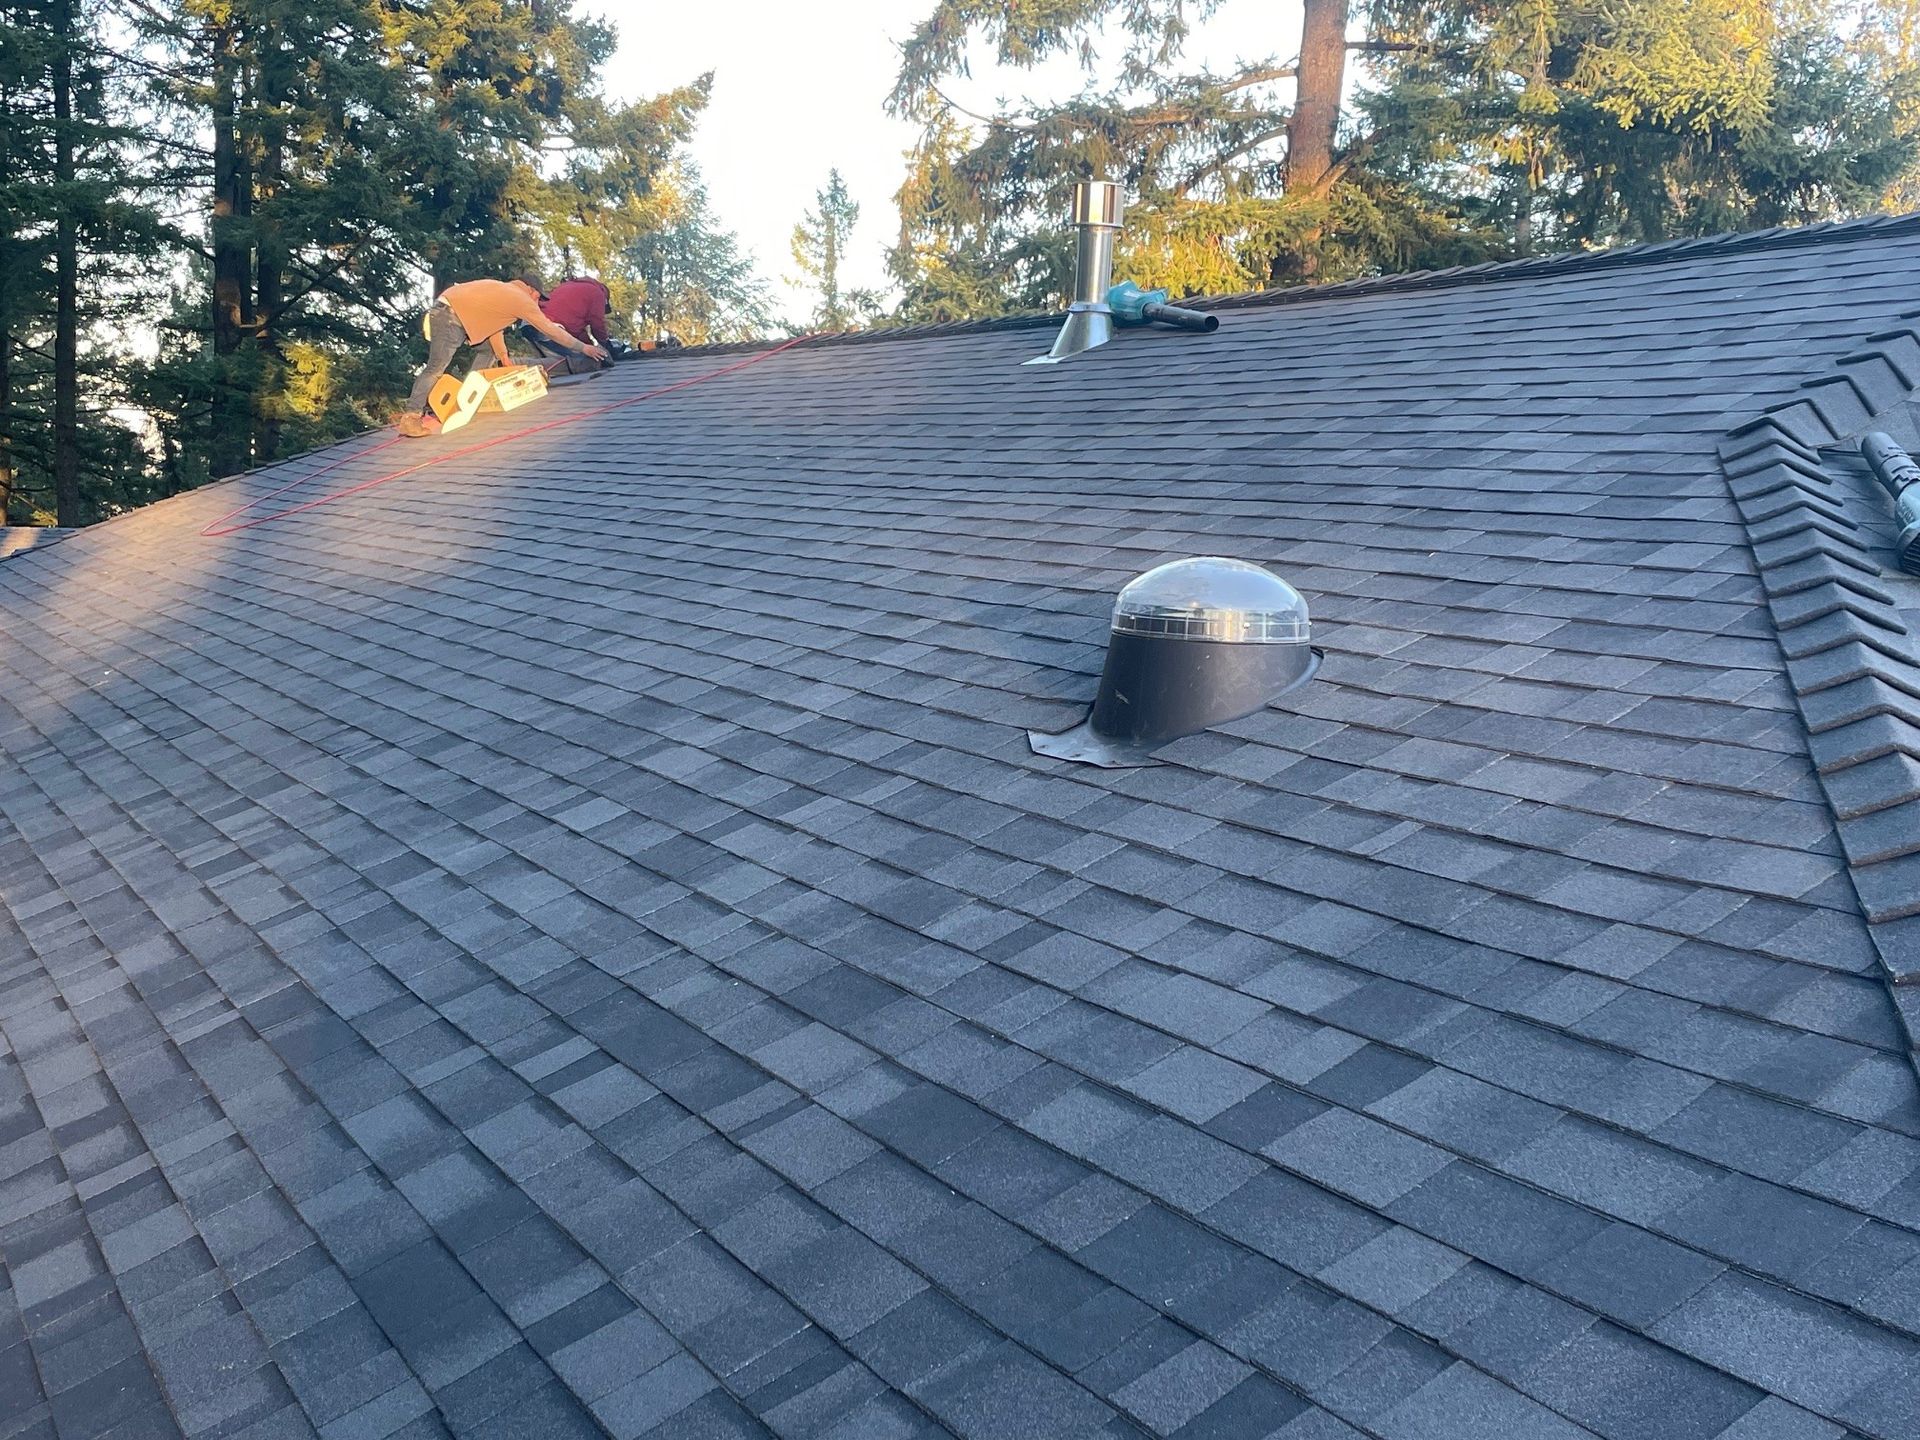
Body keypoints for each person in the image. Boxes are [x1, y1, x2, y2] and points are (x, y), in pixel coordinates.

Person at [398, 274, 608, 437]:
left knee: (487, 351)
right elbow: (550, 329)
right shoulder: (521, 299)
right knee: (436, 367)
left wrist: (504, 358)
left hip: (447, 309)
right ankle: (412, 417)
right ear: (530, 289)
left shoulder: (501, 290)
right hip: (450, 316)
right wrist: (584, 348)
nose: (537, 302)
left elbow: (493, 330)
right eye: (537, 297)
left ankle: (470, 397)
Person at [522, 275, 615, 375]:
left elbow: (579, 337)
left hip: (529, 324)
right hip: (549, 328)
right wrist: (605, 345)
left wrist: (590, 348)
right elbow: (598, 324)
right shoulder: (598, 294)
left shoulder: (569, 286)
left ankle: (520, 368)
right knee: (584, 362)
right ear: (605, 300)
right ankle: (518, 366)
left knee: (553, 363)